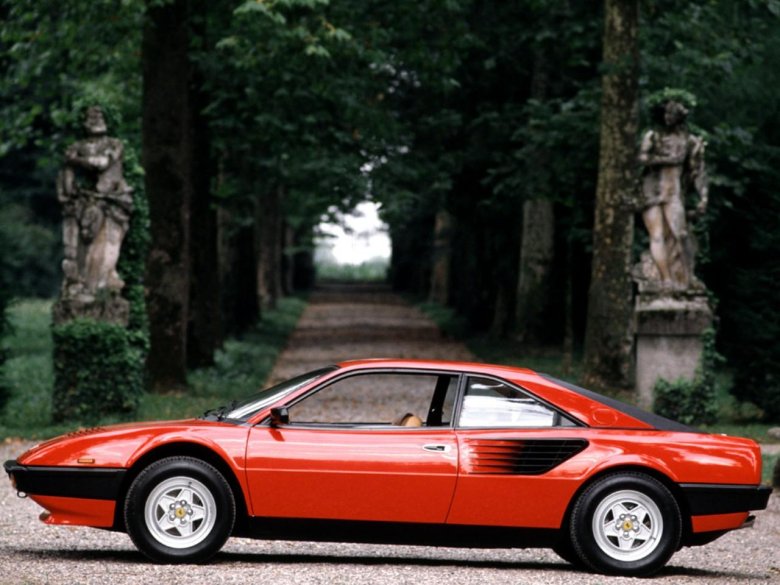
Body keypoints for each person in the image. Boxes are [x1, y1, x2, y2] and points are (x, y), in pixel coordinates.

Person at [57, 106, 133, 299]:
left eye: (99, 115)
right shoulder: (76, 147)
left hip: (111, 203)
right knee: (80, 250)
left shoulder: (114, 144)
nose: (95, 119)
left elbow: (101, 164)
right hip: (82, 205)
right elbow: (66, 174)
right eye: (90, 116)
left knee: (107, 247)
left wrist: (76, 160)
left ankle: (101, 286)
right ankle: (81, 286)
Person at [638, 99, 708, 289]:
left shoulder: (689, 141)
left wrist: (704, 197)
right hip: (651, 190)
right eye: (666, 113)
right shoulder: (652, 136)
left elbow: (698, 172)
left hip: (673, 192)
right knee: (657, 235)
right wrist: (667, 160)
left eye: (672, 114)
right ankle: (666, 280)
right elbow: (642, 159)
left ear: (680, 116)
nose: (668, 117)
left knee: (681, 234)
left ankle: (685, 277)